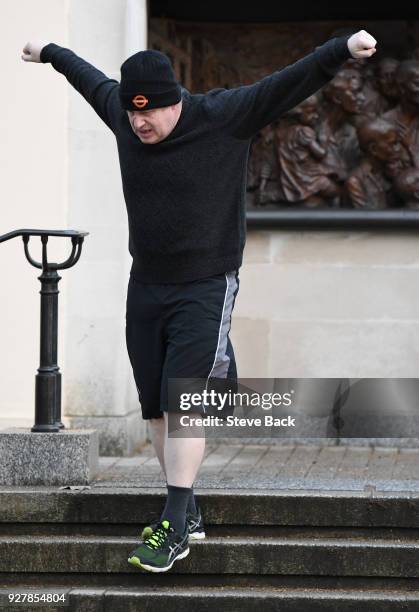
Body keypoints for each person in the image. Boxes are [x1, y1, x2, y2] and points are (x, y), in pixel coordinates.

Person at [22, 29, 376, 573]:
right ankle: (184, 503)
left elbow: (290, 81)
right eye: (132, 115)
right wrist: (48, 53)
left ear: (175, 103)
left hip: (207, 281)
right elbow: (84, 75)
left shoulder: (224, 115)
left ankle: (173, 524)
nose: (140, 124)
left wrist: (343, 49)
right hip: (147, 284)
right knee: (155, 406)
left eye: (151, 115)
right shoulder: (121, 112)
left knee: (183, 397)